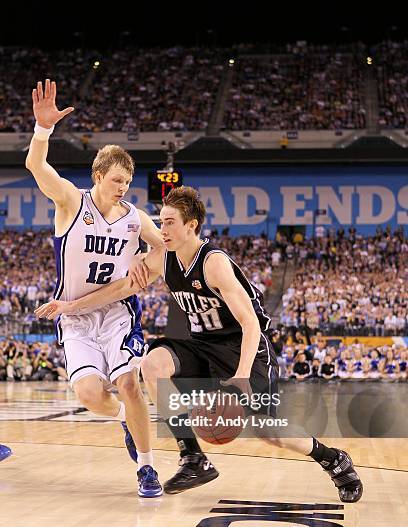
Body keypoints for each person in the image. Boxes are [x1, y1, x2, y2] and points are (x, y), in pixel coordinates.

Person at [35, 186, 363, 503]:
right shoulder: (162, 258)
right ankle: (193, 458)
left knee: (267, 431)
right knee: (152, 365)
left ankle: (332, 459)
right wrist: (71, 306)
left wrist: (242, 376)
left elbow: (250, 324)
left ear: (191, 225)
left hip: (243, 348)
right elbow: (121, 288)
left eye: (169, 222)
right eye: (160, 221)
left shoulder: (213, 263)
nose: (161, 229)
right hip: (203, 344)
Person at [26, 80, 163, 497]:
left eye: (128, 181)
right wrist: (43, 131)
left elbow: (166, 248)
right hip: (74, 316)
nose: (122, 188)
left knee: (128, 381)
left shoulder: (135, 217)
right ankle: (126, 417)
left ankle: (146, 467)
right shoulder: (71, 202)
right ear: (98, 176)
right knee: (89, 394)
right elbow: (37, 166)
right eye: (117, 180)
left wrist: (148, 266)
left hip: (117, 312)